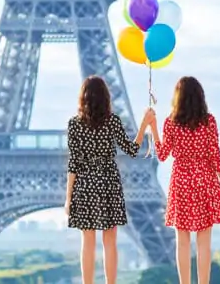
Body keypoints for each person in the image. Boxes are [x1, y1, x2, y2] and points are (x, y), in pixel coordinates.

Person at [64, 75, 154, 284]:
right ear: (105, 97)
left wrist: (68, 198)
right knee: (110, 240)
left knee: (87, 240)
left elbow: (74, 163)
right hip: (108, 182)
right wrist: (144, 125)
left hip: (85, 183)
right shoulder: (112, 121)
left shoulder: (74, 124)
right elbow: (132, 150)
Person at [149, 76, 220, 284]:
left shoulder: (171, 122)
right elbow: (216, 158)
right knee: (204, 241)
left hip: (181, 181)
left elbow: (161, 155)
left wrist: (153, 126)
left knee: (182, 241)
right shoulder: (209, 122)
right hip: (205, 179)